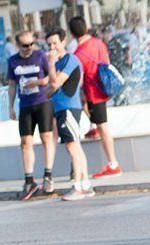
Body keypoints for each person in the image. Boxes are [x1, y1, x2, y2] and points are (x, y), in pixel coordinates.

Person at [69, 16, 122, 179]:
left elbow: (80, 79)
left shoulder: (79, 53)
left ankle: (113, 164)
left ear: (72, 34)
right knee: (99, 122)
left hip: (94, 92)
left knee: (103, 127)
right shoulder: (98, 42)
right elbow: (106, 60)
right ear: (86, 28)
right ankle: (93, 127)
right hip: (103, 86)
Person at [45, 28, 94, 201]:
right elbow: (48, 90)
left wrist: (50, 65)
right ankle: (86, 185)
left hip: (69, 110)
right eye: (49, 44)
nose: (52, 47)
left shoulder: (69, 60)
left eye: (55, 43)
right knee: (76, 148)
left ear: (63, 42)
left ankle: (77, 187)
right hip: (61, 110)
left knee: (72, 148)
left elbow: (55, 83)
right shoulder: (58, 63)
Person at [8, 31, 56, 200]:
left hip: (42, 102)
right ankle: (29, 180)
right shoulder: (13, 61)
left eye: (31, 44)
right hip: (25, 105)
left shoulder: (40, 56)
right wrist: (11, 106)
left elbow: (50, 77)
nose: (29, 48)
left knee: (46, 138)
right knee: (25, 142)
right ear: (18, 45)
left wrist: (37, 82)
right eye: (25, 45)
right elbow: (12, 84)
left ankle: (48, 175)